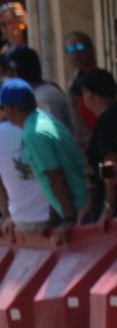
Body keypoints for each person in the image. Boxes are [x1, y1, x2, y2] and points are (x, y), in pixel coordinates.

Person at [0, 79, 87, 236]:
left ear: (11, 109)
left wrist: (68, 219)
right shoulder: (44, 118)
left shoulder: (33, 133)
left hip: (78, 213)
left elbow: (56, 177)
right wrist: (52, 221)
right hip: (79, 206)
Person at [0, 78, 51, 234]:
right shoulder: (48, 122)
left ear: (8, 108)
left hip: (23, 220)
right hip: (56, 216)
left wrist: (7, 216)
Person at [79, 68, 117, 221]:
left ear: (90, 95)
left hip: (116, 204)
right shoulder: (113, 114)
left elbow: (110, 163)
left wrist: (108, 205)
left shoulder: (109, 119)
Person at [6, 47, 70, 126]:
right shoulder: (37, 94)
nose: (8, 77)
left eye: (10, 72)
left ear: (17, 73)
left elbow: (49, 136)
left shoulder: (44, 99)